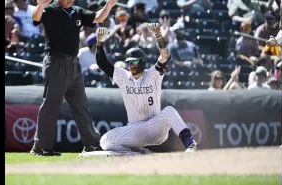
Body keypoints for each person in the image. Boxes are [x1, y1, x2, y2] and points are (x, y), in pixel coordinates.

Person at [30, 0, 118, 156]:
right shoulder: (50, 10)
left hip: (74, 64)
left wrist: (109, 5)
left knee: (81, 105)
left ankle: (91, 143)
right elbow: (36, 18)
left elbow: (97, 18)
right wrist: (41, 5)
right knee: (50, 106)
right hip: (56, 62)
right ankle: (41, 147)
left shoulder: (77, 11)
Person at [95, 24, 198, 154]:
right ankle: (138, 152)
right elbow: (102, 63)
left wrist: (158, 35)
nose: (131, 65)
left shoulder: (153, 74)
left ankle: (190, 144)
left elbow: (165, 56)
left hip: (155, 127)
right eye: (129, 62)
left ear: (142, 62)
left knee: (169, 111)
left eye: (134, 62)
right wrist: (100, 42)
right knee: (105, 141)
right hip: (135, 130)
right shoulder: (123, 76)